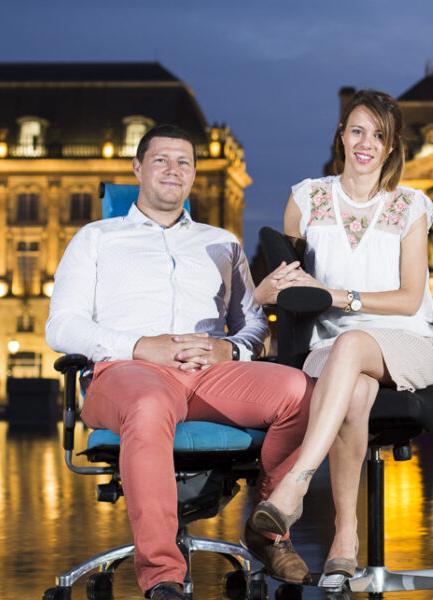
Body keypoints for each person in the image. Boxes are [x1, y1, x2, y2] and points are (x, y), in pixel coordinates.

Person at [45, 124, 313, 599]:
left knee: (300, 391)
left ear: (193, 175)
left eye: (184, 162)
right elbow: (61, 327)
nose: (174, 170)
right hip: (126, 373)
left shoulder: (222, 242)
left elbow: (254, 326)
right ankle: (163, 576)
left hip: (210, 374)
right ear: (138, 168)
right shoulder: (96, 238)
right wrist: (139, 346)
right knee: (148, 405)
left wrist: (228, 349)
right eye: (162, 160)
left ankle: (268, 532)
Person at [250, 89, 433, 581]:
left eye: (379, 136)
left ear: (393, 148)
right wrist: (267, 290)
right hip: (326, 348)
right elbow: (283, 290)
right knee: (353, 386)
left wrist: (339, 297)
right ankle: (345, 534)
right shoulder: (306, 197)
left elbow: (410, 298)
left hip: (403, 340)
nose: (366, 143)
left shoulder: (410, 206)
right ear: (341, 134)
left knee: (354, 345)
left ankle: (294, 485)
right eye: (357, 130)